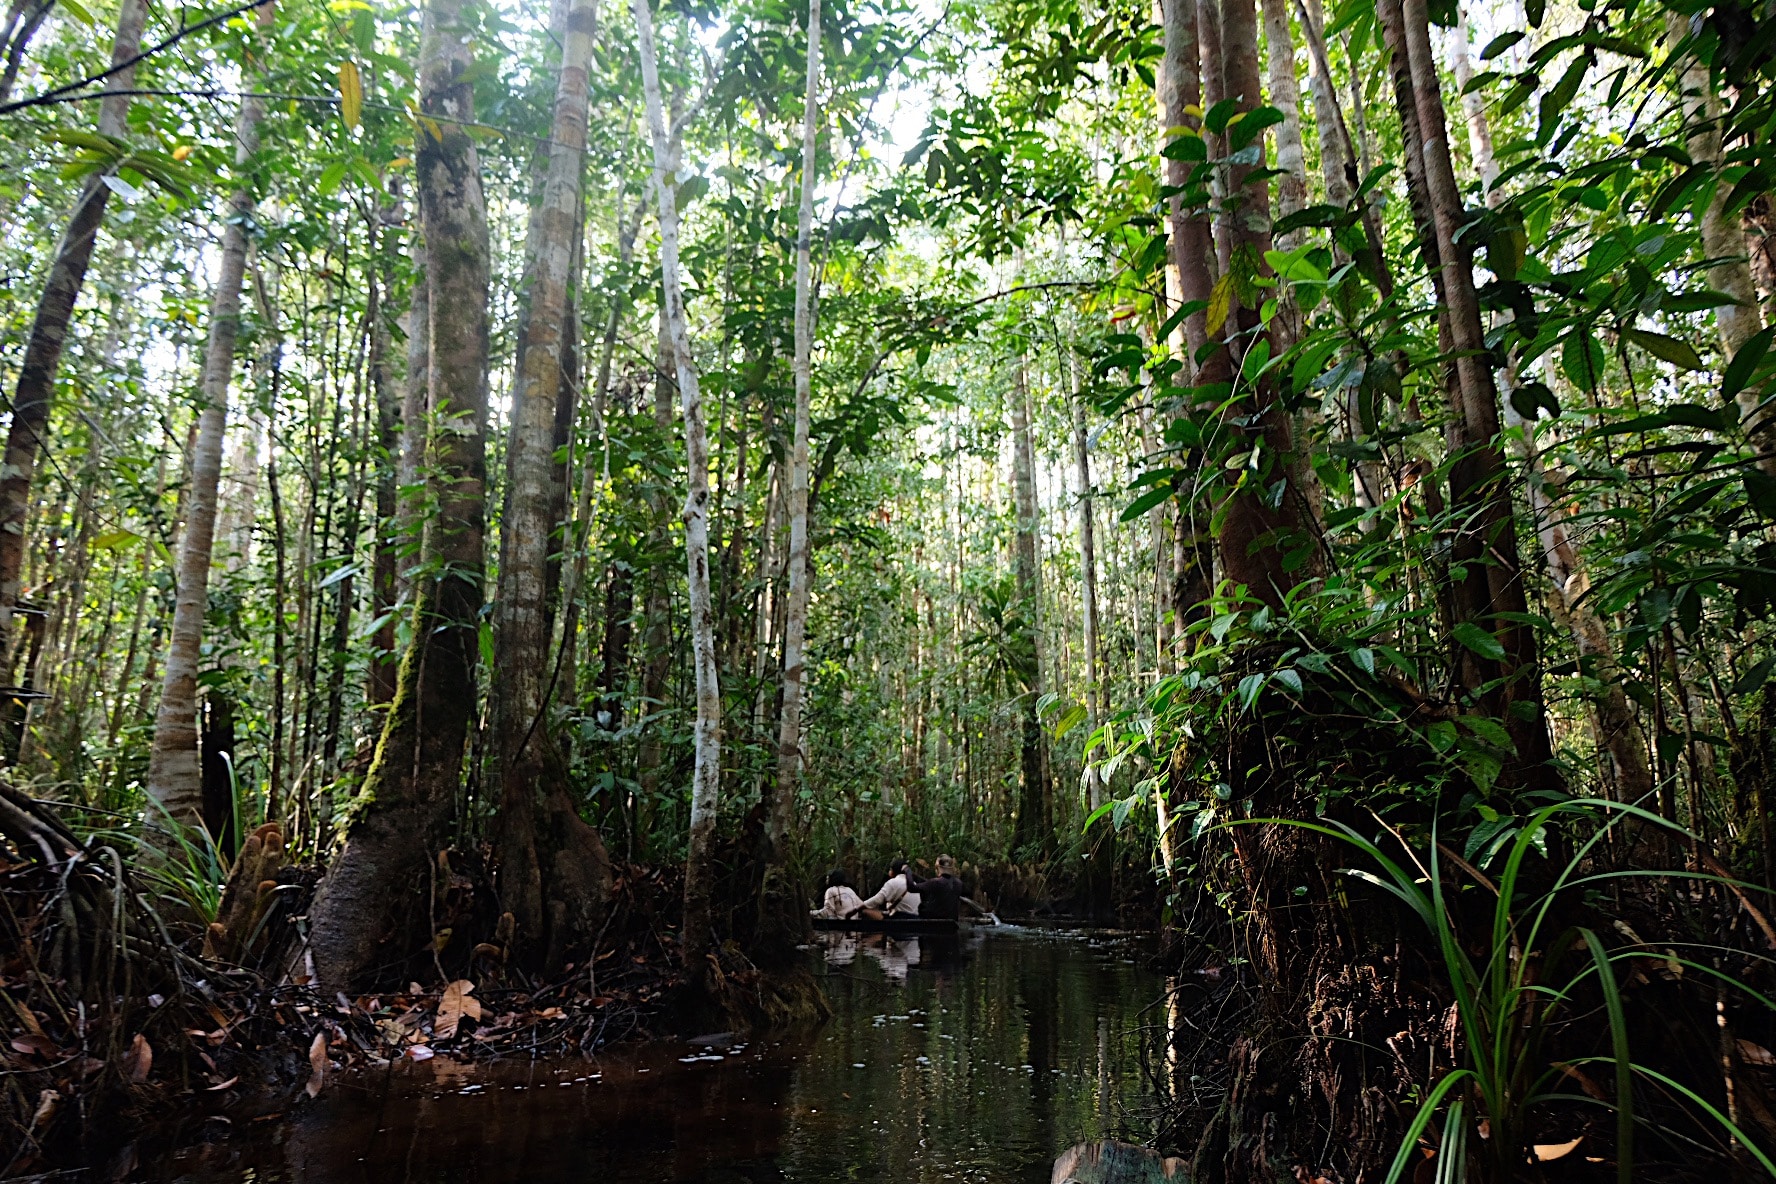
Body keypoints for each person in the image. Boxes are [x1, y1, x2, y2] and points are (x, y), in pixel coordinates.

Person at [853, 858, 921, 919]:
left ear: (893, 870)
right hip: (914, 920)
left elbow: (877, 900)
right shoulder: (914, 884)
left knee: (865, 910)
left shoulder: (893, 882)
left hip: (900, 920)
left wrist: (858, 907)